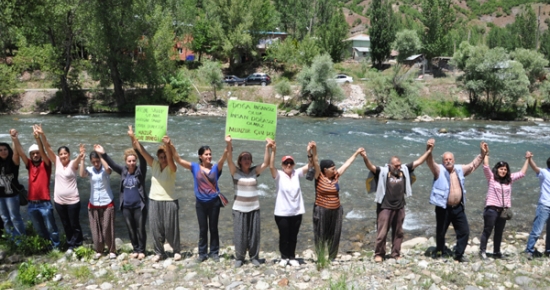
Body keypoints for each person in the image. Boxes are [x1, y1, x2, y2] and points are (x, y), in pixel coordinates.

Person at [361, 139, 435, 262]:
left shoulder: (404, 170)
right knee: (382, 232)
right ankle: (379, 254)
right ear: (390, 165)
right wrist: (365, 157)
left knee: (398, 232)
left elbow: (418, 162)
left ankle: (395, 253)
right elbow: (371, 166)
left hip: (400, 206)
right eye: (396, 165)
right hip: (385, 206)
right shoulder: (383, 171)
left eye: (399, 164)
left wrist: (429, 150)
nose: (398, 167)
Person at [426, 141, 488, 262]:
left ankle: (459, 254)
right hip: (443, 208)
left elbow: (473, 165)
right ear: (443, 161)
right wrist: (429, 150)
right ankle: (440, 251)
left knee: (464, 231)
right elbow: (430, 162)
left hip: (458, 207)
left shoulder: (460, 169)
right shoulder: (438, 170)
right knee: (441, 232)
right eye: (446, 160)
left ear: (453, 160)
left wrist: (482, 153)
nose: (448, 161)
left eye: (450, 159)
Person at [169, 139, 228, 262]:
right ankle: (202, 253)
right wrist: (171, 145)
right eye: (206, 154)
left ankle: (214, 252)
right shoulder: (195, 167)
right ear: (200, 156)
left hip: (214, 202)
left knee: (213, 228)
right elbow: (178, 160)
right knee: (202, 229)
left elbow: (224, 157)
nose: (209, 156)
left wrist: (228, 144)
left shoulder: (216, 167)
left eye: (210, 154)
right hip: (200, 203)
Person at [95, 126, 148, 260]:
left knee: (140, 229)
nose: (131, 163)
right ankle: (135, 249)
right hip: (126, 206)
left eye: (133, 161)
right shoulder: (123, 171)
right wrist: (103, 153)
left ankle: (142, 250)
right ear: (125, 162)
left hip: (139, 206)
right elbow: (112, 164)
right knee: (131, 229)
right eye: (129, 161)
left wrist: (133, 138)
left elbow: (143, 158)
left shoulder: (140, 172)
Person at [225, 135, 273, 268]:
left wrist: (267, 147)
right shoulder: (235, 171)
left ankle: (254, 257)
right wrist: (229, 144)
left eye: (248, 158)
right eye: (244, 158)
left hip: (254, 207)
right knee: (239, 234)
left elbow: (266, 163)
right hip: (239, 208)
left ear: (251, 161)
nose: (246, 160)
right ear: (240, 161)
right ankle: (239, 258)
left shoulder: (254, 171)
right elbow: (229, 160)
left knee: (254, 234)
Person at [133, 135, 181, 262]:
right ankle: (159, 252)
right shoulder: (154, 164)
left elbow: (171, 160)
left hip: (170, 200)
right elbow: (142, 151)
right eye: (161, 157)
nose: (163, 159)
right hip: (154, 199)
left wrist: (168, 145)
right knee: (155, 227)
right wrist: (133, 137)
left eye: (165, 156)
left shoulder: (172, 167)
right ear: (158, 158)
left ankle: (176, 250)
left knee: (171, 227)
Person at [269, 140, 317, 267]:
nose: (288, 165)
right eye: (286, 163)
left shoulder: (297, 173)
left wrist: (309, 152)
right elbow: (271, 166)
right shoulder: (278, 175)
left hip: (296, 211)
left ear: (294, 164)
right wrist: (273, 151)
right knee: (284, 236)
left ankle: (292, 256)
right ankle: (284, 257)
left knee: (293, 236)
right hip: (282, 213)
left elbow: (311, 165)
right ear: (282, 165)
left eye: (290, 163)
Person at [38, 125, 84, 254]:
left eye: (65, 153)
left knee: (75, 224)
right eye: (61, 154)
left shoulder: (72, 163)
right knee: (65, 223)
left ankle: (78, 243)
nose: (63, 156)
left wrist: (81, 156)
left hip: (73, 200)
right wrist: (42, 135)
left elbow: (78, 160)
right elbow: (47, 148)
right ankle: (70, 244)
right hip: (59, 201)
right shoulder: (57, 161)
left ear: (69, 154)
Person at [312, 147, 363, 262]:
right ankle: (320, 257)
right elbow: (315, 162)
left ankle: (332, 257)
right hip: (322, 211)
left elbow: (346, 164)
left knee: (335, 234)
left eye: (335, 168)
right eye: (332, 168)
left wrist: (356, 153)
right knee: (320, 233)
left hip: (336, 210)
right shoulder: (319, 177)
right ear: (325, 170)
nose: (335, 170)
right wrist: (314, 150)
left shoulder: (335, 176)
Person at [11, 128, 60, 248]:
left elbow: (44, 152)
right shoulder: (29, 165)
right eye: (33, 154)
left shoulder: (46, 165)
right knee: (39, 228)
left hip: (45, 203)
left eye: (37, 153)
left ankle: (56, 247)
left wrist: (37, 138)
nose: (36, 155)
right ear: (31, 156)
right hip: (32, 203)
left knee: (51, 227)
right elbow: (21, 153)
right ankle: (46, 246)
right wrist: (15, 139)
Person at [478, 147, 528, 260]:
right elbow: (485, 166)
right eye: (501, 169)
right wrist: (486, 153)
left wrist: (528, 159)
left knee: (499, 232)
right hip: (491, 210)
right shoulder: (491, 178)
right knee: (487, 230)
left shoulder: (509, 179)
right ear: (497, 169)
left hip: (503, 211)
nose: (503, 171)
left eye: (505, 169)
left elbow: (522, 173)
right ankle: (482, 251)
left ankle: (496, 252)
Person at [79, 144, 117, 260]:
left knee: (107, 227)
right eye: (93, 161)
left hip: (107, 202)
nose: (96, 164)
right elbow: (81, 174)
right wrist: (82, 159)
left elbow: (109, 171)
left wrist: (101, 156)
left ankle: (111, 250)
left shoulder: (105, 168)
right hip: (93, 202)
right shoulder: (90, 170)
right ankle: (99, 249)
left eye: (97, 161)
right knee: (95, 228)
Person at [524, 151, 550, 259]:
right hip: (544, 205)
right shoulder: (544, 172)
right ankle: (529, 250)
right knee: (537, 230)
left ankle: (548, 251)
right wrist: (529, 159)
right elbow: (535, 168)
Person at [0, 131, 26, 239]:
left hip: (12, 196)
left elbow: (16, 153)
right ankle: (11, 239)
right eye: (0, 150)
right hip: (0, 197)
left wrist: (14, 139)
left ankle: (21, 239)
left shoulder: (13, 162)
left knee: (15, 217)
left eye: (5, 149)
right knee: (5, 218)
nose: (3, 152)